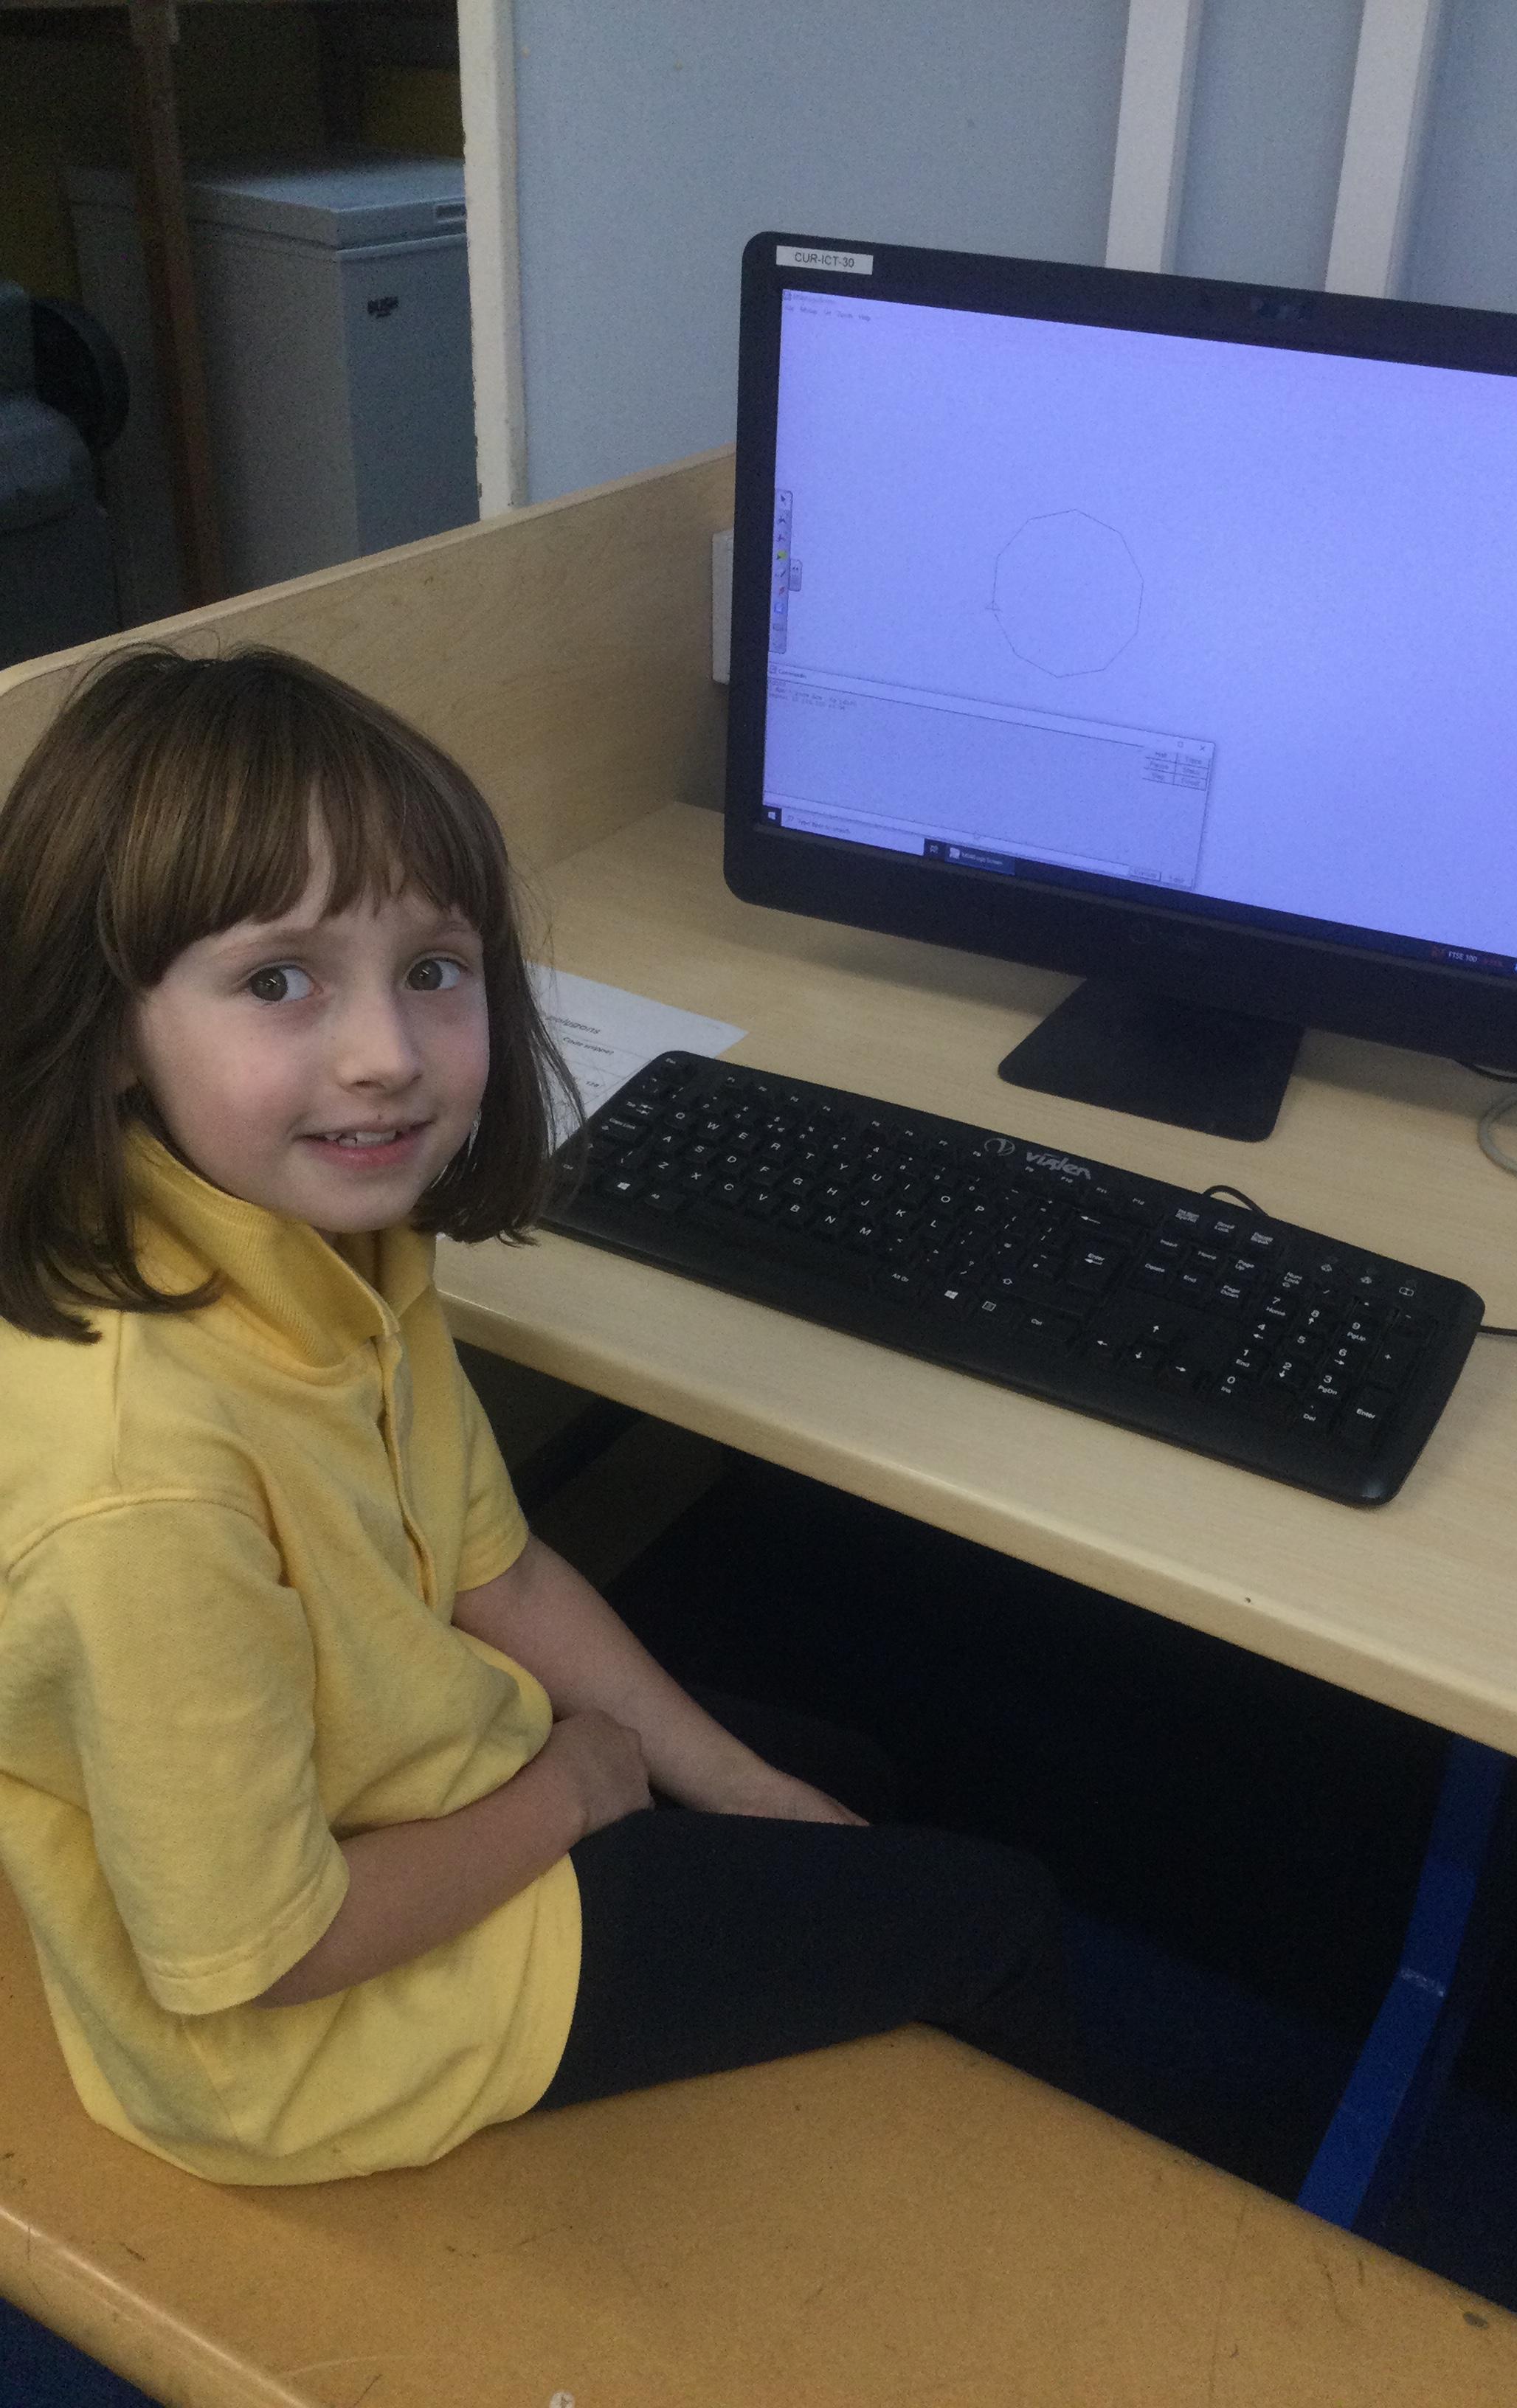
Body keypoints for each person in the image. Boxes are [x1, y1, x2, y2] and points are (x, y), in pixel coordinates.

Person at [0, 645, 1081, 2186]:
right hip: (320, 2035)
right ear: (108, 1024)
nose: (386, 1057)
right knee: (1002, 1918)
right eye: (278, 980)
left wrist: (733, 1788)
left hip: (411, 1774)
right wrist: (575, 1789)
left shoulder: (326, 1245)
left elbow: (494, 1574)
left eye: (432, 969)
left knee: (844, 1775)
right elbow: (264, 1957)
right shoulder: (142, 1488)